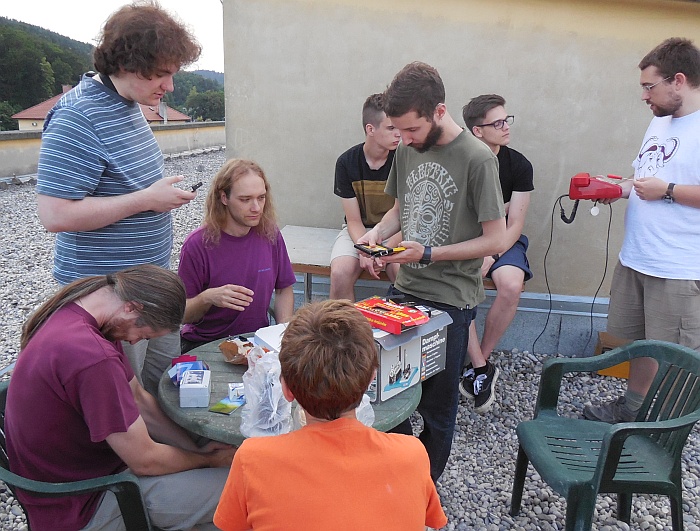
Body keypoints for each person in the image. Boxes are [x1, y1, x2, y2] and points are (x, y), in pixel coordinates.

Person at [34, 2, 202, 396]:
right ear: (127, 63)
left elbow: (120, 182)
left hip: (149, 284)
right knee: (128, 399)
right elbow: (54, 214)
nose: (170, 87)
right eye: (162, 73)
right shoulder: (78, 116)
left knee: (163, 386)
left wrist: (158, 195)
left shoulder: (128, 104)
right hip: (112, 297)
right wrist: (146, 200)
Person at [357, 62, 506, 481]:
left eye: (411, 129)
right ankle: (400, 474)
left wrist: (428, 253)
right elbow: (400, 207)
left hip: (450, 300)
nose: (403, 140)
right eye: (398, 130)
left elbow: (496, 239)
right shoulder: (408, 148)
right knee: (389, 395)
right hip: (405, 290)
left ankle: (424, 487)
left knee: (437, 408)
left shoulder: (478, 159)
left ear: (439, 111)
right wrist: (376, 235)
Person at [5, 265, 234, 531]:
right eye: (144, 335)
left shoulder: (85, 312)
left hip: (80, 476)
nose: (135, 342)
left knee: (222, 477)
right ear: (132, 308)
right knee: (242, 487)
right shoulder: (92, 357)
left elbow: (138, 398)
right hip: (86, 502)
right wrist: (207, 461)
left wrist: (194, 451)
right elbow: (145, 460)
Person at [213, 299, 447, 531]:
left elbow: (232, 525)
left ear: (286, 389)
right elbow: (432, 519)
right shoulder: (412, 455)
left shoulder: (252, 459)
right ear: (372, 378)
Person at [583, 37, 700, 423]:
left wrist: (667, 191)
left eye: (650, 86)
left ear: (678, 80)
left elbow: (663, 186)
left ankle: (665, 428)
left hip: (678, 268)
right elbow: (645, 177)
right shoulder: (660, 122)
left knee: (677, 356)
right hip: (638, 257)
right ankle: (632, 409)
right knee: (641, 344)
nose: (644, 96)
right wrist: (616, 189)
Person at [458, 95, 534, 413]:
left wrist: (492, 252)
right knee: (459, 283)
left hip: (505, 241)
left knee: (511, 285)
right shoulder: (462, 162)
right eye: (498, 123)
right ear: (478, 131)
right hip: (466, 240)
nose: (506, 127)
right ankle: (480, 367)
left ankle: (481, 361)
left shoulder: (519, 165)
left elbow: (515, 222)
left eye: (507, 120)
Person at [178, 159, 296, 353]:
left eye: (261, 198)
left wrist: (284, 335)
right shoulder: (197, 244)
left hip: (257, 341)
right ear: (224, 198)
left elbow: (283, 288)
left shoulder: (270, 234)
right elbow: (181, 314)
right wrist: (207, 298)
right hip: (207, 344)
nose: (256, 207)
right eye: (245, 199)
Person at [329, 93, 402, 301]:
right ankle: (342, 322)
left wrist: (382, 251)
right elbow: (353, 220)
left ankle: (403, 320)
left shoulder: (403, 160)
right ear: (371, 129)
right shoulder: (347, 162)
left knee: (401, 272)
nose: (398, 134)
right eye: (391, 128)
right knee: (340, 273)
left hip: (396, 231)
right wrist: (366, 250)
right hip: (359, 232)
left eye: (399, 127)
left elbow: (403, 217)